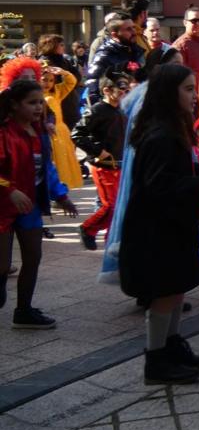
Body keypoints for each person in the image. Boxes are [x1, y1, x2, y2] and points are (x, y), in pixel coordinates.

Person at [118, 63, 199, 384]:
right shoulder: (161, 135)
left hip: (170, 227)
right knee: (164, 294)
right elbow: (160, 187)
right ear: (167, 93)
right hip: (156, 231)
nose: (194, 96)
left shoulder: (170, 128)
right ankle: (156, 361)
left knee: (175, 291)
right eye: (187, 89)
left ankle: (172, 348)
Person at [98, 47, 183, 285]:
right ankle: (150, 287)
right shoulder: (151, 100)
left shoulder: (161, 97)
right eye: (175, 65)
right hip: (152, 175)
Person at [0, 79, 77, 325]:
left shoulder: (41, 132)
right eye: (31, 103)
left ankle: (23, 310)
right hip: (2, 208)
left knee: (33, 258)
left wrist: (61, 195)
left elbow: (47, 168)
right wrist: (9, 190)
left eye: (40, 103)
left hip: (29, 206)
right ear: (14, 106)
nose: (38, 108)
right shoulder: (3, 132)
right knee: (2, 266)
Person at [72, 76, 128, 250]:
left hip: (120, 165)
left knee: (120, 208)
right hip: (102, 167)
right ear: (107, 90)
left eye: (126, 91)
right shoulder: (96, 110)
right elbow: (77, 134)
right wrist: (98, 151)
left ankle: (113, 242)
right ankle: (87, 228)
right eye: (121, 90)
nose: (124, 94)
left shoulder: (122, 111)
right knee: (111, 206)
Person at [40, 65, 83, 190]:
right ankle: (50, 190)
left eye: (51, 80)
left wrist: (63, 72)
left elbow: (71, 82)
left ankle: (61, 189)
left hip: (59, 130)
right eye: (44, 79)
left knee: (62, 162)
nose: (48, 83)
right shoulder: (34, 94)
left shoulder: (57, 92)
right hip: (44, 131)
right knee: (50, 161)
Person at [84, 14, 142, 106]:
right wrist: (102, 110)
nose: (134, 32)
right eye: (128, 29)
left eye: (133, 27)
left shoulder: (135, 51)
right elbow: (92, 82)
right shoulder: (104, 55)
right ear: (115, 35)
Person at [38, 34, 82, 129]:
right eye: (61, 45)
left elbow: (77, 77)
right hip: (54, 101)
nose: (64, 47)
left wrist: (65, 74)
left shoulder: (65, 60)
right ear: (52, 46)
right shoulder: (43, 63)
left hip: (69, 99)